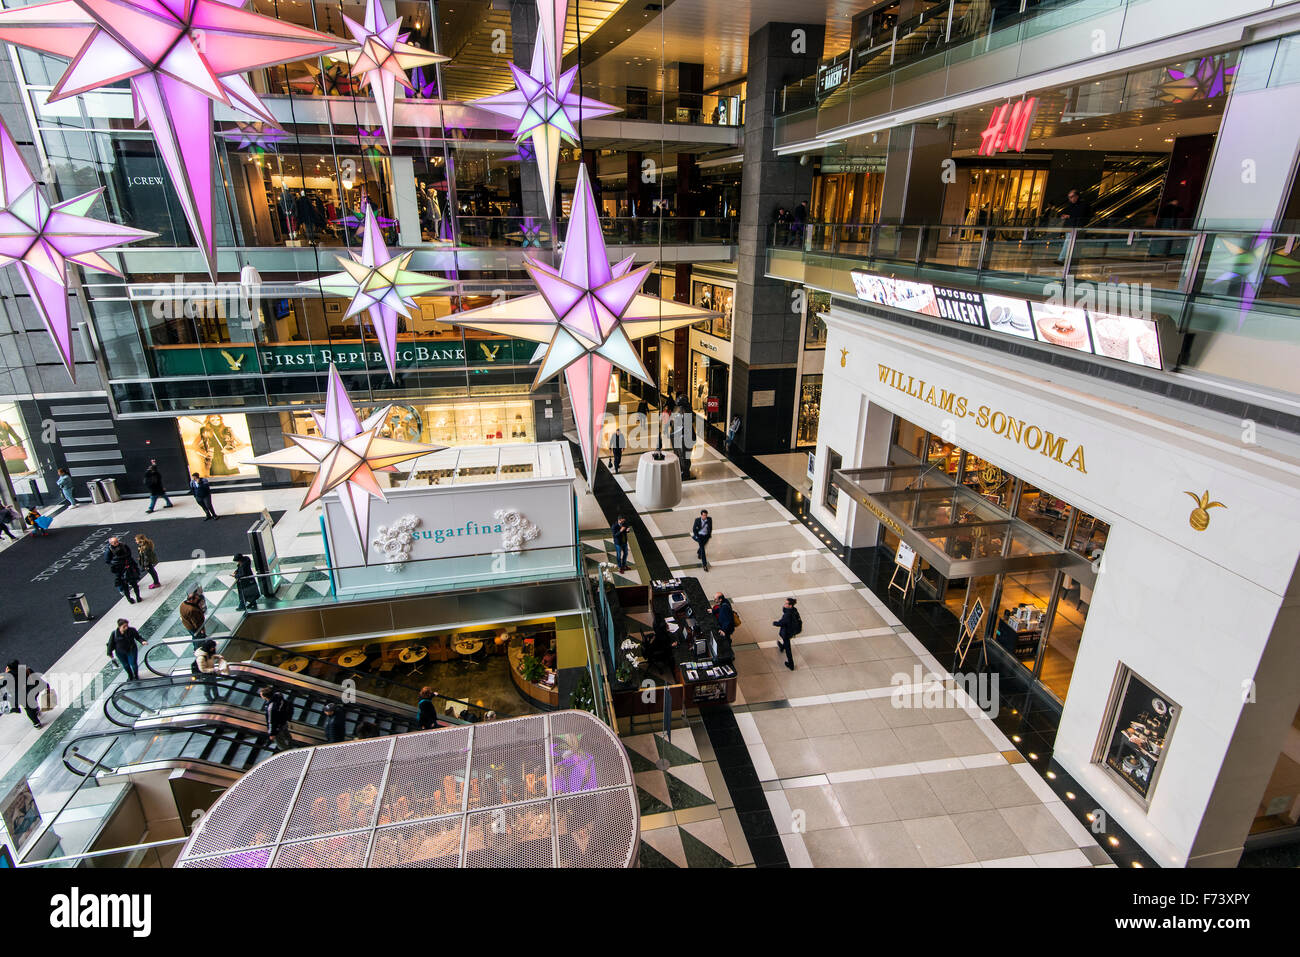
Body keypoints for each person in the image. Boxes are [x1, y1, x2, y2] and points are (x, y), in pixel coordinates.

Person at [3, 660, 47, 728]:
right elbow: (36, 678)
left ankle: (36, 723)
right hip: (32, 691)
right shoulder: (26, 669)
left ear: (9, 668)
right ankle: (36, 709)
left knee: (28, 709)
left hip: (21, 697)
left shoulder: (8, 676)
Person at [104, 535, 143, 603]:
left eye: (117, 541)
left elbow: (129, 553)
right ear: (111, 543)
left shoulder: (123, 545)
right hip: (120, 570)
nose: (116, 543)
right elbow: (107, 560)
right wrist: (115, 564)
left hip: (129, 567)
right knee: (125, 586)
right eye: (114, 542)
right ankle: (129, 599)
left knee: (134, 584)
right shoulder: (109, 550)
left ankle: (138, 597)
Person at [1057, 188, 1091, 263]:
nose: (1070, 199)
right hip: (1070, 226)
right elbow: (1064, 212)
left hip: (1076, 227)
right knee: (1069, 243)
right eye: (1069, 197)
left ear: (1077, 196)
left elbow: (1080, 215)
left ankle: (1061, 258)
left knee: (1068, 242)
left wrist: (1069, 216)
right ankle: (1067, 259)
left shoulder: (1083, 205)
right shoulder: (1072, 205)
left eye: (1071, 197)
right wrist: (1063, 215)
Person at [259, 685, 293, 751]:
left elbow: (271, 721)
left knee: (281, 744)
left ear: (265, 697)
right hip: (283, 722)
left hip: (277, 727)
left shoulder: (271, 708)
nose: (260, 696)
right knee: (287, 736)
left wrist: (272, 734)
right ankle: (291, 747)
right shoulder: (279, 696)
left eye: (261, 695)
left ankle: (288, 753)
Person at [773, 597, 802, 671]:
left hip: (787, 632)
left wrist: (775, 623)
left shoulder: (787, 615)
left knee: (788, 649)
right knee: (786, 642)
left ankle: (791, 664)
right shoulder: (794, 610)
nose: (784, 604)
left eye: (786, 603)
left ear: (790, 605)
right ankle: (782, 647)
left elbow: (781, 623)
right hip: (792, 631)